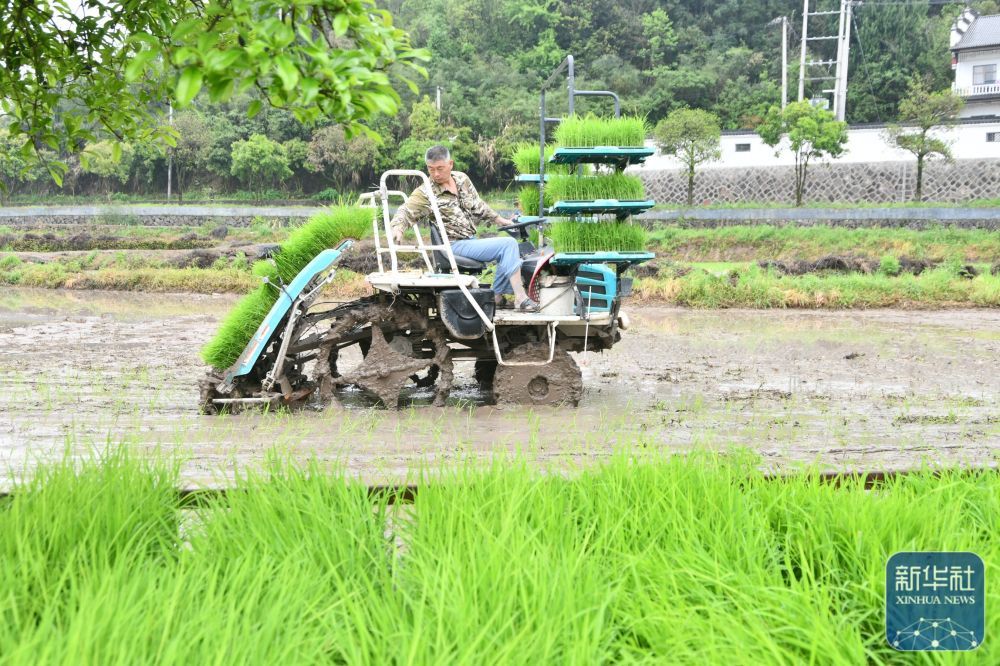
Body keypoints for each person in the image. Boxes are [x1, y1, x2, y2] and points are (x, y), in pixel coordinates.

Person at [390, 145, 540, 312]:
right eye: (431, 169)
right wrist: (398, 228)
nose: (436, 174)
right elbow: (405, 211)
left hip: (470, 241)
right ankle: (521, 298)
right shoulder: (425, 192)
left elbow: (478, 205)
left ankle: (496, 296)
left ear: (450, 164)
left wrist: (500, 220)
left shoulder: (462, 179)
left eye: (440, 168)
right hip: (453, 245)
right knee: (507, 245)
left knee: (511, 249)